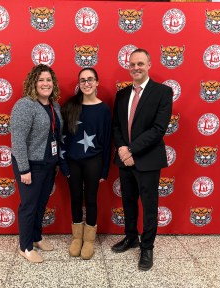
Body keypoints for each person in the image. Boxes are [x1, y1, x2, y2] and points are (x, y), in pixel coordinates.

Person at [111, 48, 172, 271]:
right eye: (132, 64)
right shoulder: (122, 94)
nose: (136, 67)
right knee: (128, 202)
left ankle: (147, 247)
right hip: (124, 160)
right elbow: (116, 126)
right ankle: (130, 238)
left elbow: (158, 129)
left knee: (149, 206)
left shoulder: (163, 92)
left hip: (147, 160)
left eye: (140, 64)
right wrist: (121, 150)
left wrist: (130, 151)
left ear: (149, 65)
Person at [10, 64, 62, 263]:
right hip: (30, 165)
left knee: (41, 204)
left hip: (49, 163)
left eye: (49, 80)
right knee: (29, 206)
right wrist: (24, 168)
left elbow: (54, 135)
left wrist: (56, 162)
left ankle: (37, 237)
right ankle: (25, 246)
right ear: (33, 82)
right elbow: (18, 139)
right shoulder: (25, 105)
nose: (45, 83)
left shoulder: (54, 105)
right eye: (41, 80)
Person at [60, 67, 111, 260]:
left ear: (97, 82)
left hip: (94, 162)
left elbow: (107, 142)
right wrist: (64, 165)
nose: (87, 83)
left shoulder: (104, 109)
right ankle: (77, 238)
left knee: (90, 200)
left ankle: (89, 240)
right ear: (78, 84)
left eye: (90, 79)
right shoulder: (70, 107)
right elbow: (62, 138)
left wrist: (104, 170)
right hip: (73, 162)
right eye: (83, 80)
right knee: (74, 198)